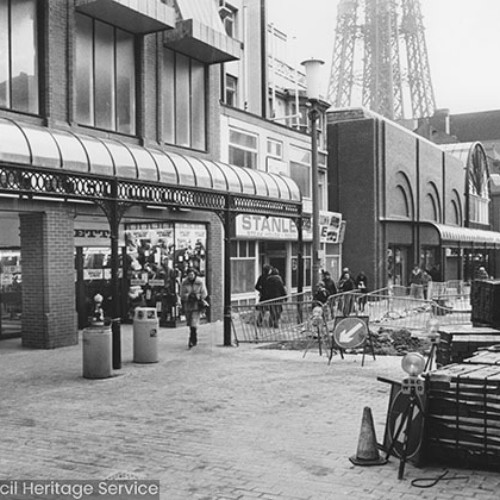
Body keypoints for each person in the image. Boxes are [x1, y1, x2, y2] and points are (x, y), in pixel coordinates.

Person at [180, 267, 208, 349]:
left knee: (193, 322)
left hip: (196, 305)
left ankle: (191, 340)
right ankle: (194, 337)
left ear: (195, 274)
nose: (190, 276)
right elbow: (181, 294)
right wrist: (187, 296)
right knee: (190, 322)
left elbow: (204, 293)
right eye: (189, 274)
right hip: (188, 305)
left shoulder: (200, 282)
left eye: (192, 274)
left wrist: (197, 296)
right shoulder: (184, 283)